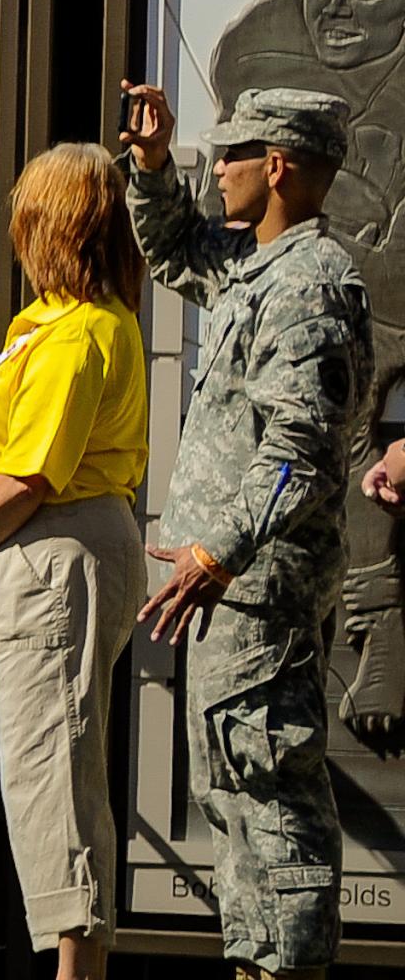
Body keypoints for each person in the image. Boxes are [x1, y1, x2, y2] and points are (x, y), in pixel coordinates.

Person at [117, 85, 372, 980]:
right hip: (230, 593)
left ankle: (287, 968)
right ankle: (254, 960)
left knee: (274, 794)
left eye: (230, 154)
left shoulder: (310, 285)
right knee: (230, 790)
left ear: (277, 167)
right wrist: (152, 167)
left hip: (259, 591)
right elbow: (178, 249)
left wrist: (219, 550)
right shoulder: (258, 262)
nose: (214, 167)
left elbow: (300, 450)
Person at [0, 142, 150, 980]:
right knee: (55, 769)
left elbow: (30, 475)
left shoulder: (75, 333)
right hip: (64, 553)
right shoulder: (71, 322)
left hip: (52, 553)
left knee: (52, 774)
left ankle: (75, 971)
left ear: (49, 228)